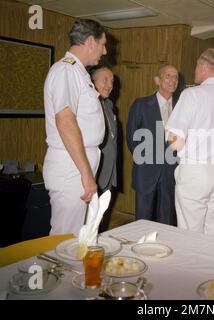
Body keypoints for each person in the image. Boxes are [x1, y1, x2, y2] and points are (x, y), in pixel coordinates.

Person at [166, 48, 214, 237]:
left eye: (196, 65)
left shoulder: (191, 94)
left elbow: (175, 142)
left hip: (195, 171)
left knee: (189, 234)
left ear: (203, 65)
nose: (195, 70)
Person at [42, 19, 107, 235]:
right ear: (90, 41)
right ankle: (58, 270)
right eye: (102, 44)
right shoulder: (65, 71)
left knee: (79, 235)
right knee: (65, 237)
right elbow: (65, 121)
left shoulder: (78, 73)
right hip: (71, 167)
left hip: (77, 165)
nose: (105, 51)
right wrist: (86, 173)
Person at [126, 65, 179, 225]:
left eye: (176, 77)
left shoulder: (181, 107)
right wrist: (146, 161)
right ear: (157, 80)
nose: (173, 80)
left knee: (167, 220)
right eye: (168, 76)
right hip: (146, 172)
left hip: (171, 172)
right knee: (143, 220)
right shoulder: (141, 105)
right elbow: (132, 138)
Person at [89, 65, 117, 193]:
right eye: (105, 80)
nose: (109, 85)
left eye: (111, 81)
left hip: (108, 171)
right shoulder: (86, 106)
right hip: (93, 172)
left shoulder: (109, 105)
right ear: (92, 81)